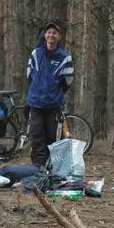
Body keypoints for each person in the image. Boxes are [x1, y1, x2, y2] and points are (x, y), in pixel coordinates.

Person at [26, 22, 74, 169]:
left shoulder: (65, 58)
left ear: (59, 37)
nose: (51, 35)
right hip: (36, 103)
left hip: (53, 104)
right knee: (36, 135)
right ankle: (38, 166)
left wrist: (56, 93)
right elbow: (29, 75)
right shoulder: (36, 53)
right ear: (45, 35)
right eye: (49, 32)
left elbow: (68, 80)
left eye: (54, 33)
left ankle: (50, 166)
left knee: (52, 137)